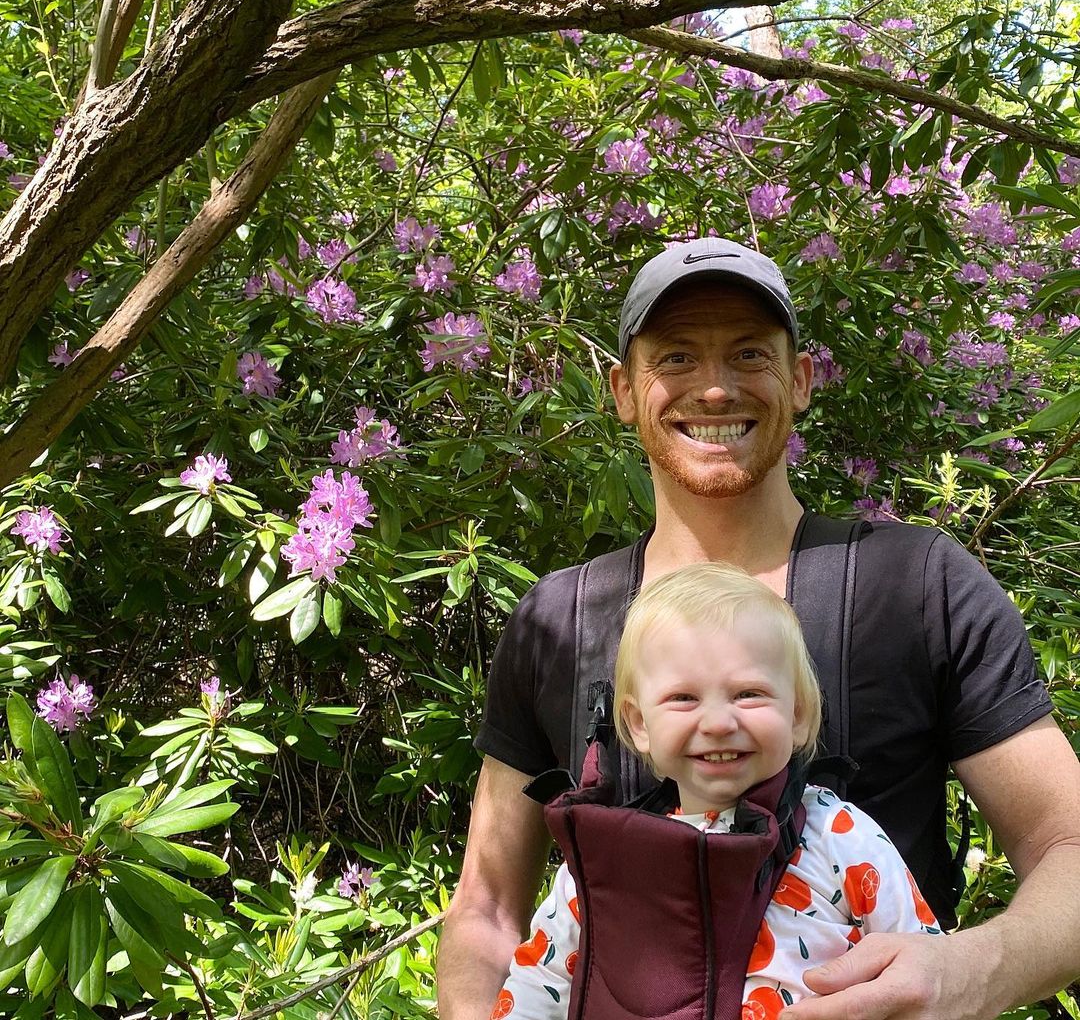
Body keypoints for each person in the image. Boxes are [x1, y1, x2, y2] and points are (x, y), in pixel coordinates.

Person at [437, 237, 1080, 1020]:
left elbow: (1067, 846)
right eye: (675, 357)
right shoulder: (558, 620)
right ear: (623, 390)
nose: (713, 389)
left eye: (748, 353)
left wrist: (970, 971)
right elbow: (490, 910)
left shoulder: (918, 586)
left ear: (801, 379)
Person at [493, 562, 941, 1020]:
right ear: (639, 724)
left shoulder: (839, 836)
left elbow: (919, 967)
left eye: (748, 694)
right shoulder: (605, 857)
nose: (719, 723)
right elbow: (539, 982)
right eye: (684, 698)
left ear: (800, 714)